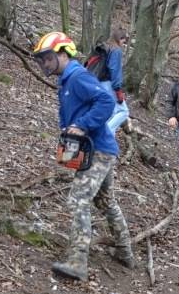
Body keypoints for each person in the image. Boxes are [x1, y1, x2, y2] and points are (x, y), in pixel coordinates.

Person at [32, 31, 135, 280]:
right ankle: (125, 252)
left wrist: (83, 125)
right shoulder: (67, 81)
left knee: (78, 199)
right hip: (96, 148)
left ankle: (78, 262)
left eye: (47, 58)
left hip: (98, 149)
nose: (44, 64)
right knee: (105, 201)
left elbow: (106, 102)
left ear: (62, 54)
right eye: (41, 60)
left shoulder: (77, 77)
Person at [102, 27, 130, 134]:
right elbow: (114, 70)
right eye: (124, 40)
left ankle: (108, 145)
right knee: (124, 111)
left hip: (100, 83)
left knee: (111, 114)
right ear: (119, 38)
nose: (124, 43)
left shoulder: (107, 47)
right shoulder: (116, 50)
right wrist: (118, 90)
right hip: (109, 85)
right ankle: (106, 132)